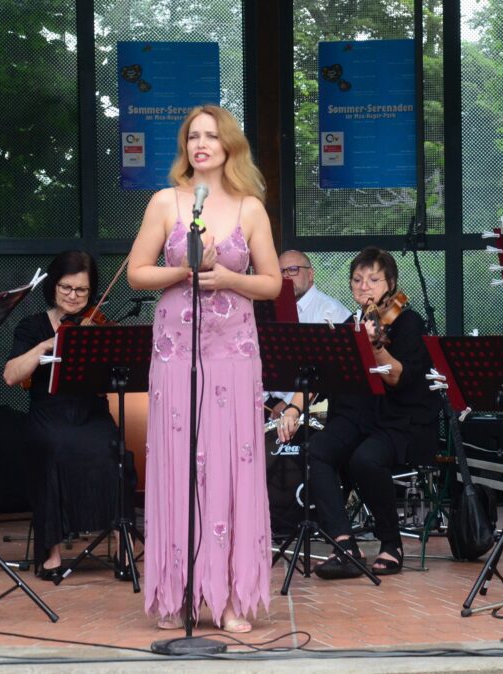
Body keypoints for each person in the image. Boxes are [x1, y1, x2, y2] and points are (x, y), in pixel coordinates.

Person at [126, 104, 281, 633]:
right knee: (179, 464)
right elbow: (136, 273)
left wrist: (229, 279)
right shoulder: (166, 201)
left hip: (232, 351)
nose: (201, 144)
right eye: (193, 136)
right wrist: (184, 270)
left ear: (229, 145)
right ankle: (178, 595)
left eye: (211, 136)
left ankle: (231, 597)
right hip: (177, 351)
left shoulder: (250, 208)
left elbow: (272, 283)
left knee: (232, 465)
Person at [278, 246, 439, 579]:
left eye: (373, 280)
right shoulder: (350, 324)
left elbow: (397, 377)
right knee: (316, 450)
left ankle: (391, 543)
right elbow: (320, 375)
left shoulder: (408, 322)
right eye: (357, 280)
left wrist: (376, 346)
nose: (364, 286)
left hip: (398, 421)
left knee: (364, 459)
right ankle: (344, 544)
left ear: (391, 283)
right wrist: (293, 409)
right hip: (356, 417)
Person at [3, 250, 126, 581]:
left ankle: (121, 544)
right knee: (53, 449)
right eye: (66, 288)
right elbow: (11, 375)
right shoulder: (31, 326)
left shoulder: (98, 325)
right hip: (49, 414)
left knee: (114, 451)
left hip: (91, 413)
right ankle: (51, 552)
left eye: (82, 290)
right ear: (53, 286)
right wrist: (46, 345)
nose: (73, 296)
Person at [266, 249, 351, 419]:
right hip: (269, 403)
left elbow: (322, 370)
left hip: (310, 408)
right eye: (281, 271)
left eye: (293, 269)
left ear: (311, 274)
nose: (286, 276)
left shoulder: (330, 311)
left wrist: (290, 405)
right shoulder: (270, 308)